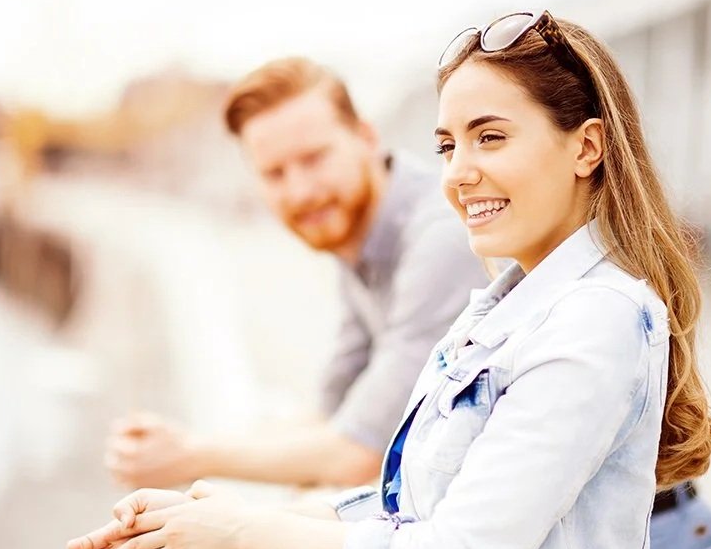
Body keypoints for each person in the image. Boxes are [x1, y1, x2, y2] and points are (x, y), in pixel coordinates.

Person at [66, 13, 711, 549]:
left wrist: (239, 527)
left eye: (491, 137)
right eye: (448, 147)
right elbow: (402, 486)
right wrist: (219, 517)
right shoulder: (503, 301)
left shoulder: (587, 316)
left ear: (586, 147)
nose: (460, 174)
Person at [103, 57, 488, 490]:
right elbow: (332, 415)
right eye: (275, 173)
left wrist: (192, 456)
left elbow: (358, 453)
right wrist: (180, 445)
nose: (300, 192)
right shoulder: (358, 235)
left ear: (366, 136)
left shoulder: (440, 237)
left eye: (314, 158)